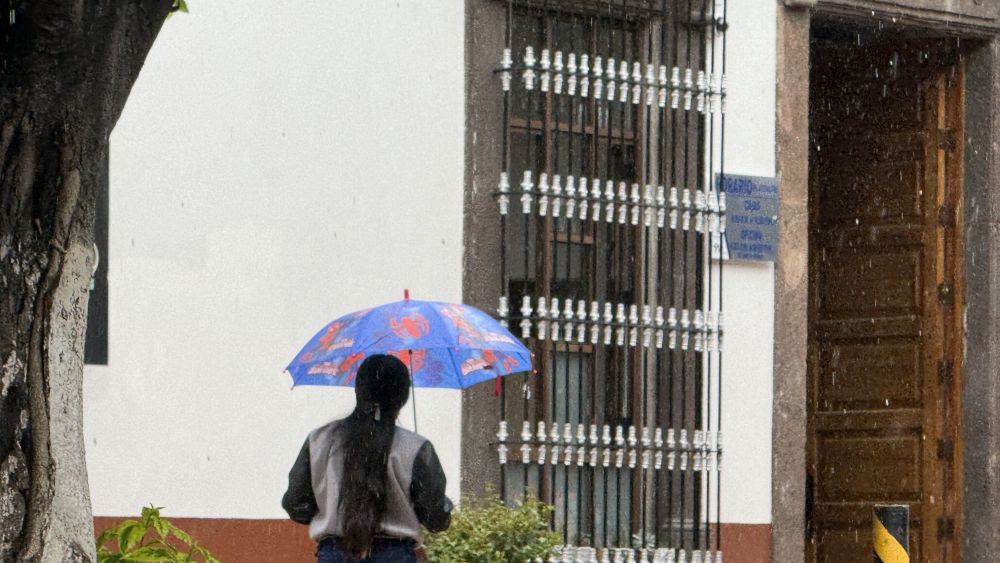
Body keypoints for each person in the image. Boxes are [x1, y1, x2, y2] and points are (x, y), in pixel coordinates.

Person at [282, 354, 452, 563]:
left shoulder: (319, 440)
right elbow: (435, 517)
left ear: (358, 391)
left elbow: (296, 504)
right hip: (395, 556)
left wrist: (333, 511)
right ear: (403, 397)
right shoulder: (416, 448)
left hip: (335, 554)